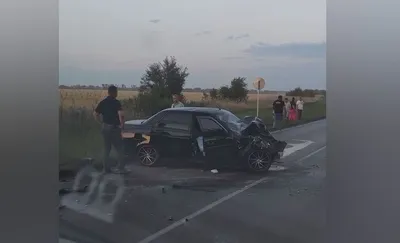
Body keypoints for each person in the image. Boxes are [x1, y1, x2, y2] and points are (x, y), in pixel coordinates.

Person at [93, 85, 129, 174]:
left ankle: (106, 169)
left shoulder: (103, 102)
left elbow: (95, 114)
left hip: (105, 128)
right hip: (114, 128)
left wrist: (100, 122)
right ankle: (121, 168)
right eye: (116, 92)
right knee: (120, 148)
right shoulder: (116, 102)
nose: (117, 93)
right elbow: (121, 115)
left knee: (106, 149)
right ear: (114, 92)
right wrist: (122, 125)